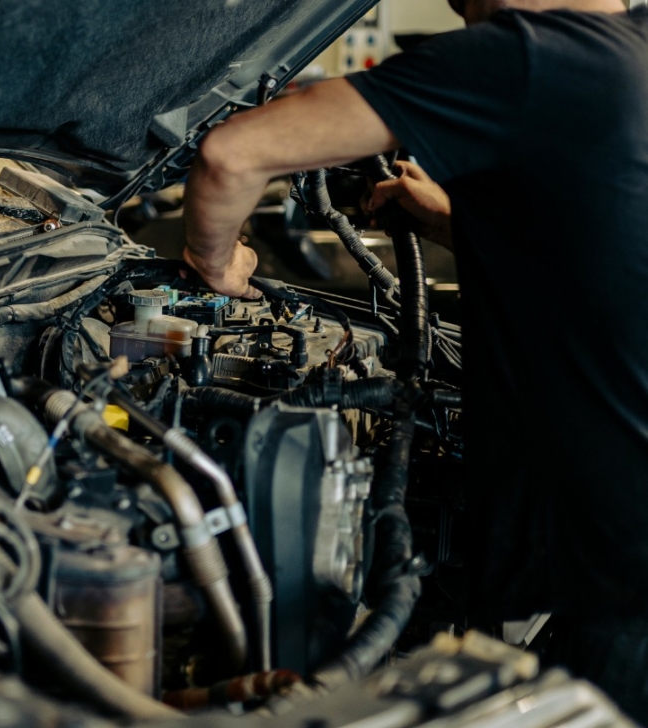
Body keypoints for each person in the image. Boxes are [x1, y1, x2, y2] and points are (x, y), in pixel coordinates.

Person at [181, 0, 648, 720]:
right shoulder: (632, 52)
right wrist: (444, 220)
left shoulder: (528, 55)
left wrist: (213, 263)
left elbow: (231, 155)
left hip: (627, 580)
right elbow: (600, 244)